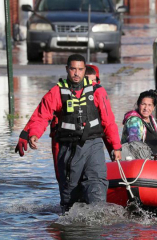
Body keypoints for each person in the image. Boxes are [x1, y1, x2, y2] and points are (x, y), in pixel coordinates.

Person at [15, 54, 121, 213]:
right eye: (73, 69)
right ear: (67, 69)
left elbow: (108, 121)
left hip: (93, 145)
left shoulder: (98, 91)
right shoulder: (56, 92)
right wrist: (34, 134)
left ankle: (97, 222)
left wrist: (116, 147)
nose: (76, 73)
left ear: (85, 70)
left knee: (97, 183)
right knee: (70, 193)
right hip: (68, 148)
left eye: (80, 69)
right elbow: (42, 115)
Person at [15, 64, 107, 182]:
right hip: (64, 142)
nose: (90, 83)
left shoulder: (99, 94)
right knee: (65, 179)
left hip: (91, 143)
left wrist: (114, 149)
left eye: (94, 81)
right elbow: (42, 114)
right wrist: (26, 132)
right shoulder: (61, 93)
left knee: (92, 177)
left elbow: (108, 124)